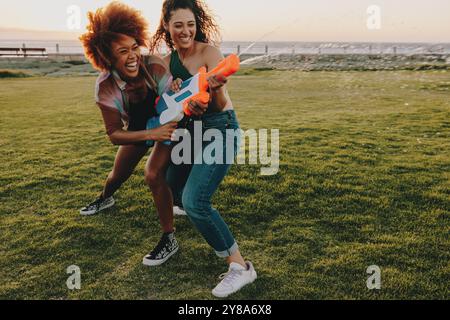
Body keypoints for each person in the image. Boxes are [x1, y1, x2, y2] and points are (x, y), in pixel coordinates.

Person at [149, 0, 257, 298]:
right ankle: (187, 208)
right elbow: (169, 103)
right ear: (167, 27)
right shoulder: (167, 61)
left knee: (196, 201)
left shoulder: (209, 53)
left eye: (191, 24)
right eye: (178, 25)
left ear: (197, 25)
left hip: (220, 128)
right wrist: (174, 93)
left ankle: (240, 267)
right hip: (189, 132)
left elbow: (220, 105)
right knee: (172, 186)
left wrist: (216, 89)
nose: (186, 31)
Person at [79, 1, 180, 267]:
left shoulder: (154, 66)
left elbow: (175, 104)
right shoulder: (105, 88)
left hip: (166, 123)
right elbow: (114, 134)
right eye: (123, 51)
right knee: (116, 175)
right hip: (137, 129)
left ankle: (169, 237)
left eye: (135, 46)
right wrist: (150, 132)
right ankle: (104, 198)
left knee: (153, 173)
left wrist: (177, 92)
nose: (133, 55)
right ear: (107, 57)